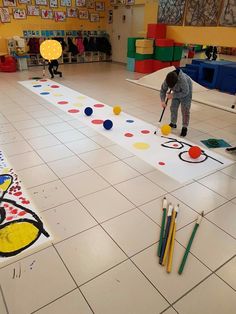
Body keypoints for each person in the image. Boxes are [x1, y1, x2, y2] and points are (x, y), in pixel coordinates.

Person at [160, 68, 192, 137]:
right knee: (173, 108)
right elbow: (163, 90)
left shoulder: (182, 80)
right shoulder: (167, 80)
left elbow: (185, 92)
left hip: (186, 92)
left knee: (185, 109)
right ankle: (173, 123)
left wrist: (173, 95)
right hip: (176, 92)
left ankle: (184, 127)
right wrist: (162, 101)